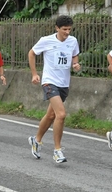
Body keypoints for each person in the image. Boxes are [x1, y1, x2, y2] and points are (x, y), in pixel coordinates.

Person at [28, 15, 81, 163]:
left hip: (64, 83)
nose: (67, 32)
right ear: (57, 28)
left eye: (69, 29)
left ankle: (36, 139)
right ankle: (57, 150)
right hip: (49, 81)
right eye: (64, 29)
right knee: (61, 114)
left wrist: (76, 64)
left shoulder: (73, 41)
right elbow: (32, 53)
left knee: (51, 115)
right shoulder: (46, 40)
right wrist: (34, 74)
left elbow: (75, 56)